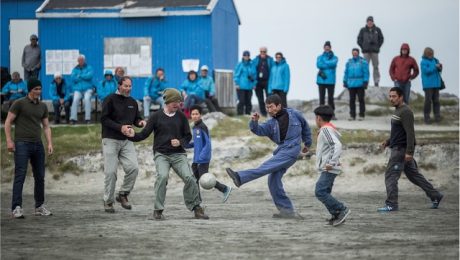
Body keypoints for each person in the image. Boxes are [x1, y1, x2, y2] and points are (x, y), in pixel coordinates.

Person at [126, 88, 209, 220]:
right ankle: (158, 210)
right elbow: (143, 135)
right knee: (162, 177)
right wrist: (132, 135)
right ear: (167, 101)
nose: (177, 104)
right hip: (161, 154)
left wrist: (180, 142)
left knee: (190, 178)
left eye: (179, 101)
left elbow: (188, 136)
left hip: (178, 154)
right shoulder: (155, 117)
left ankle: (196, 208)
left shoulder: (181, 116)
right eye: (174, 102)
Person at [226, 94, 312, 219]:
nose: (269, 110)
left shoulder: (295, 114)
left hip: (292, 150)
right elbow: (258, 130)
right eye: (267, 107)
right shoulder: (270, 123)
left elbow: (305, 127)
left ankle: (240, 177)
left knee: (265, 167)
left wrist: (308, 143)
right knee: (273, 180)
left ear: (279, 105)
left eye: (271, 107)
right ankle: (287, 211)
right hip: (282, 151)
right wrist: (254, 122)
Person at [378, 87, 443, 212]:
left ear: (401, 97)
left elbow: (410, 134)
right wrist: (387, 141)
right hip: (398, 148)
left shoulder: (406, 111)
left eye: (394, 96)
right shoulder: (397, 111)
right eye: (390, 96)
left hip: (401, 151)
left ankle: (391, 204)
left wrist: (409, 152)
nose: (391, 99)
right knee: (414, 176)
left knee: (390, 176)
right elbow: (398, 133)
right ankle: (435, 196)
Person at [4, 79, 53, 218]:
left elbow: (46, 126)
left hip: (38, 144)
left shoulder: (42, 106)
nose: (38, 91)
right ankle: (16, 207)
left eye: (40, 89)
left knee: (40, 177)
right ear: (30, 89)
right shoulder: (19, 103)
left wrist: (49, 143)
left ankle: (39, 206)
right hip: (22, 144)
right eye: (36, 89)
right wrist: (9, 141)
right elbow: (8, 122)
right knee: (20, 175)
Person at [100, 76, 146, 213]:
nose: (128, 89)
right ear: (119, 86)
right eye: (125, 86)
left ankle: (123, 194)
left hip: (127, 141)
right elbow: (104, 119)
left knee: (133, 168)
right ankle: (108, 201)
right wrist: (120, 128)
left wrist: (140, 123)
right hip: (110, 139)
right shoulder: (109, 99)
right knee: (111, 172)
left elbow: (136, 118)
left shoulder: (133, 102)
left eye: (130, 86)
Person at [185, 105, 232, 202]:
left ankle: (225, 189)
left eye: (196, 114)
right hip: (196, 159)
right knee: (195, 180)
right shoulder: (195, 127)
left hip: (203, 159)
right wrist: (186, 145)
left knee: (205, 179)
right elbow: (197, 143)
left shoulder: (202, 127)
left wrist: (202, 157)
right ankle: (197, 199)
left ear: (200, 115)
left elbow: (207, 144)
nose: (194, 116)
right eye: (193, 114)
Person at [313, 105, 350, 226]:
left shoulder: (325, 130)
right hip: (329, 167)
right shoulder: (329, 129)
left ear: (318, 118)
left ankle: (342, 209)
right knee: (325, 192)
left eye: (315, 118)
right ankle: (335, 215)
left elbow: (336, 145)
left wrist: (330, 162)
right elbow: (327, 148)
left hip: (329, 168)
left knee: (320, 191)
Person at [357, 16, 384, 87]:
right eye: (368, 21)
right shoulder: (362, 30)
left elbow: (381, 39)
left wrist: (377, 46)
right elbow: (359, 39)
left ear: (373, 22)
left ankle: (376, 81)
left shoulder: (377, 30)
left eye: (371, 21)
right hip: (366, 52)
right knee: (365, 67)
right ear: (366, 22)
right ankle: (366, 81)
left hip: (375, 52)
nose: (369, 22)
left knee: (375, 66)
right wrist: (363, 46)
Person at [343, 48, 369, 121]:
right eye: (353, 53)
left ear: (358, 53)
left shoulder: (363, 62)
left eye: (356, 52)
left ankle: (361, 114)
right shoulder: (349, 62)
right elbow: (346, 72)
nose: (354, 54)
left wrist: (365, 81)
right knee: (352, 100)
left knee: (361, 99)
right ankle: (352, 115)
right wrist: (345, 81)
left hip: (360, 83)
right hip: (351, 84)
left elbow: (366, 72)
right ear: (352, 53)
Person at [420, 47, 443, 124]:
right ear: (426, 54)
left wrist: (440, 67)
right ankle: (427, 117)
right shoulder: (423, 62)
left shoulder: (435, 60)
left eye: (432, 54)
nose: (431, 55)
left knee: (436, 101)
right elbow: (426, 71)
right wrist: (435, 67)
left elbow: (439, 70)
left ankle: (437, 116)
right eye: (429, 54)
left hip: (436, 84)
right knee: (428, 101)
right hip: (428, 85)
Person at [70, 55, 94, 124]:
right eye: (79, 60)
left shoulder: (89, 67)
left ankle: (87, 119)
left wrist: (79, 76)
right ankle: (73, 118)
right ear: (78, 61)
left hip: (88, 88)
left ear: (84, 60)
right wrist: (84, 76)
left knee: (87, 100)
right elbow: (73, 78)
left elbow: (89, 76)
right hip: (78, 89)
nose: (80, 61)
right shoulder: (75, 69)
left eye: (82, 60)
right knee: (75, 100)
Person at [316, 41, 338, 116]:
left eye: (328, 47)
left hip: (331, 81)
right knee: (321, 98)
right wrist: (328, 63)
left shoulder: (335, 57)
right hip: (321, 80)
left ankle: (331, 114)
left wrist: (324, 62)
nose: (327, 49)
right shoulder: (319, 57)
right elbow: (318, 65)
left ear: (330, 48)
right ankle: (321, 114)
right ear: (324, 48)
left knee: (330, 98)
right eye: (326, 48)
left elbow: (333, 64)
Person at [252, 47, 274, 117]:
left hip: (267, 81)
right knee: (260, 99)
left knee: (269, 99)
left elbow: (273, 71)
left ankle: (271, 113)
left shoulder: (270, 60)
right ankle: (263, 114)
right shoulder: (256, 59)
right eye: (261, 51)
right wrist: (253, 82)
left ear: (266, 52)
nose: (262, 53)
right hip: (258, 82)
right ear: (259, 52)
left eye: (264, 51)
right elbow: (252, 70)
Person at [234, 50, 257, 115]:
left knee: (248, 101)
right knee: (241, 101)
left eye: (247, 56)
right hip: (241, 86)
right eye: (245, 55)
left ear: (249, 56)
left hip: (249, 86)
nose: (246, 57)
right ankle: (240, 114)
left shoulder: (252, 65)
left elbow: (255, 75)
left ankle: (248, 113)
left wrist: (254, 84)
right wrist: (237, 83)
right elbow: (236, 75)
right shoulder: (240, 64)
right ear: (243, 56)